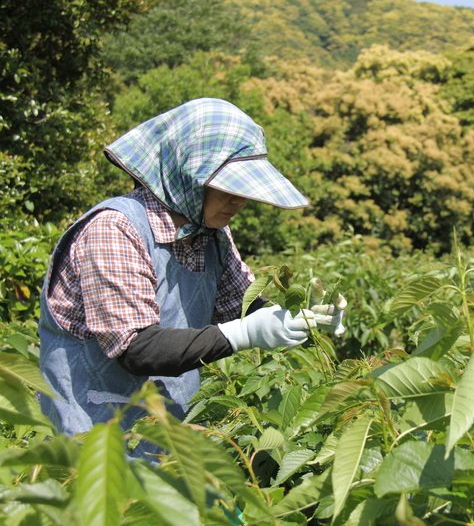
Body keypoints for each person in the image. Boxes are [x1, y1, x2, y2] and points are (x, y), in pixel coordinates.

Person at [38, 98, 347, 453]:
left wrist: (303, 316)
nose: (239, 201)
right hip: (93, 445)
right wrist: (246, 333)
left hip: (169, 443)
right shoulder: (114, 229)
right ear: (187, 175)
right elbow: (138, 348)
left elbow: (240, 308)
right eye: (226, 187)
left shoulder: (210, 234)